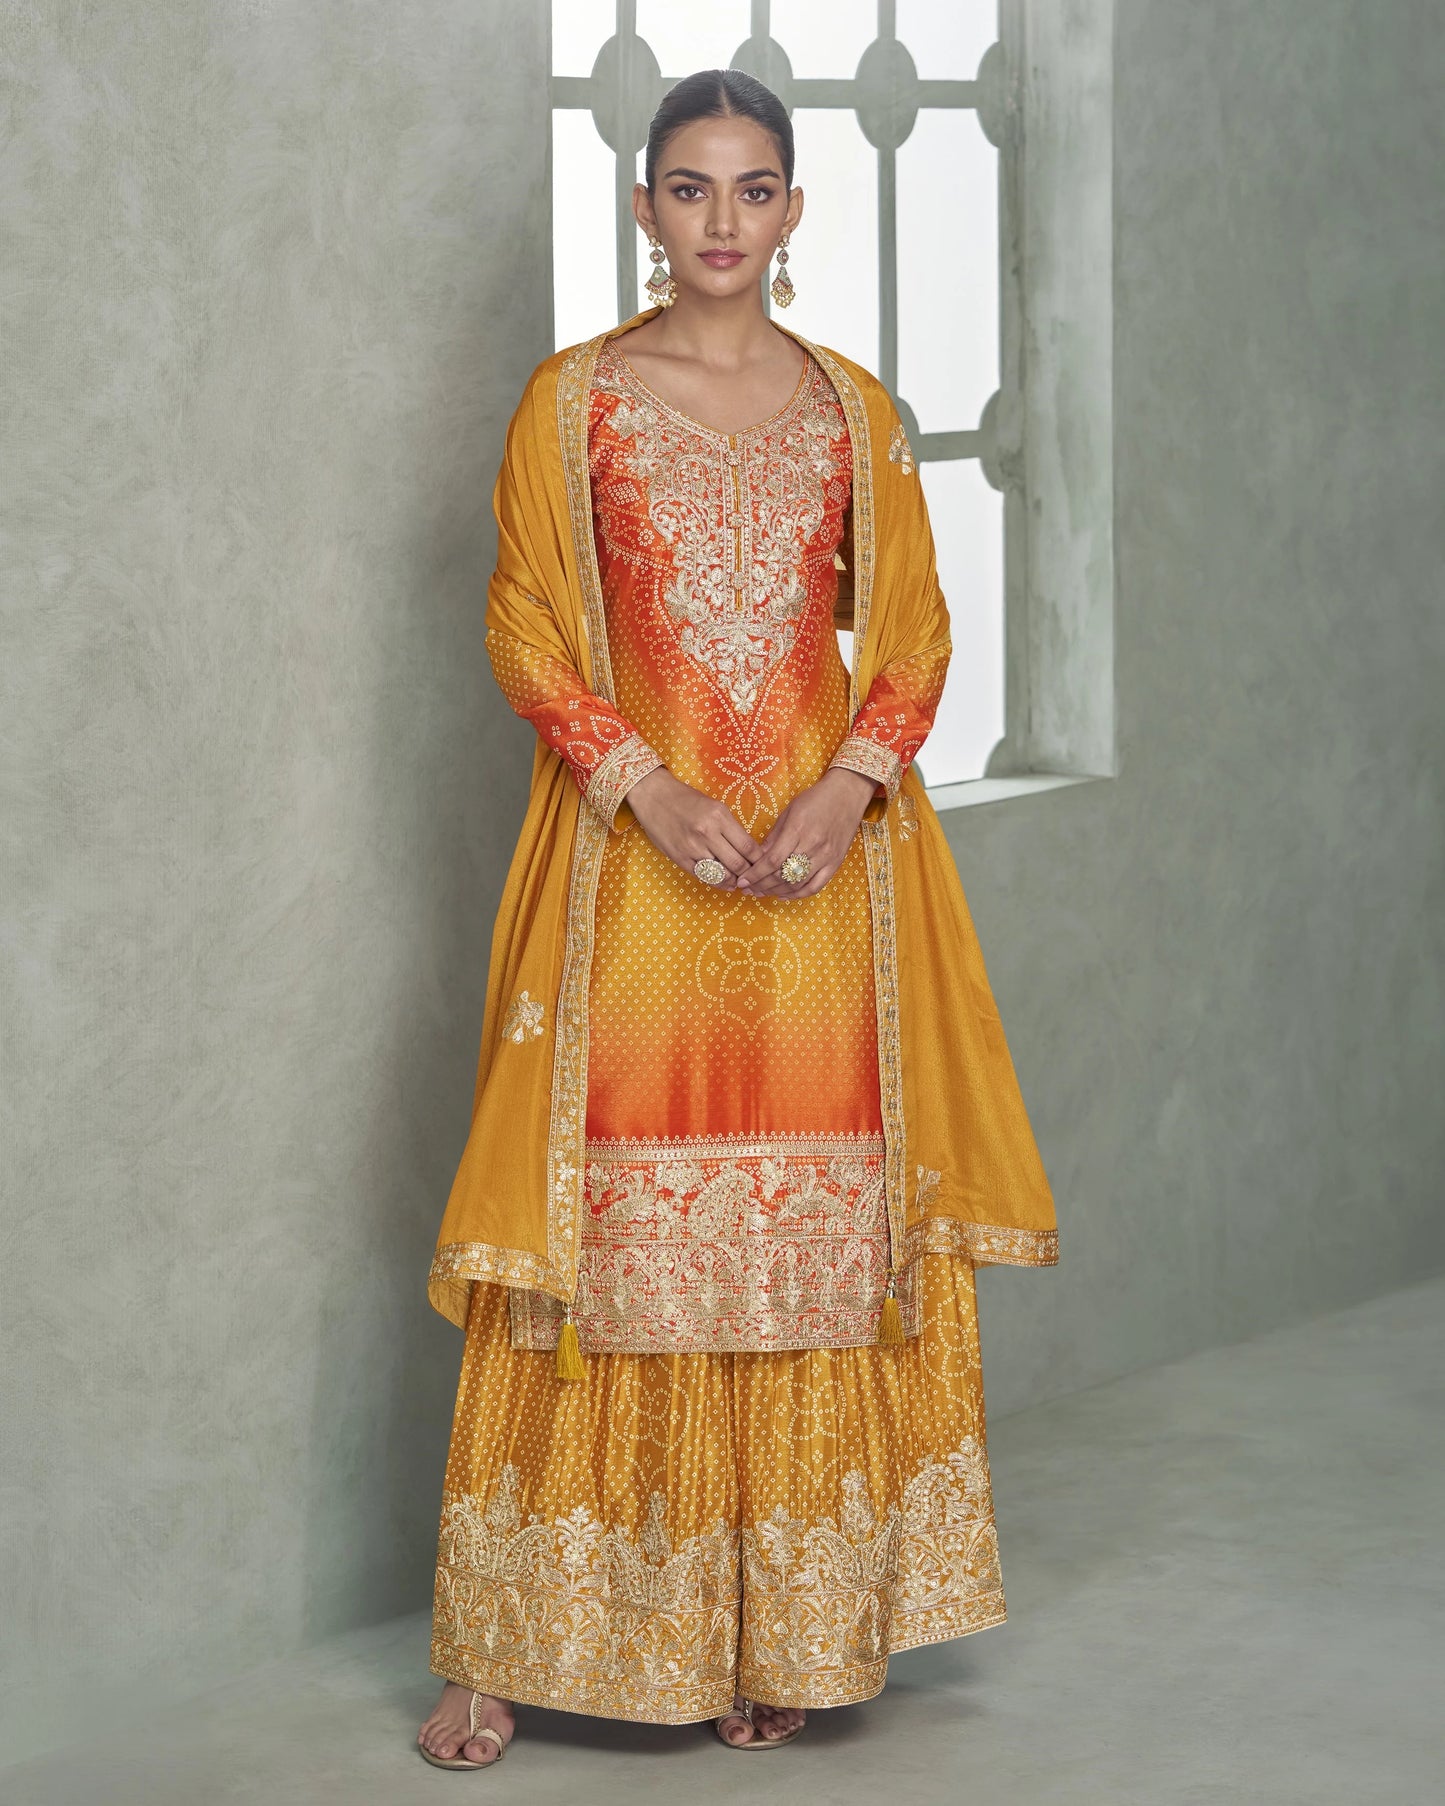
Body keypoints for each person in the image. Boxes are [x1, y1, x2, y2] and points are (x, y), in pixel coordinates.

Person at [416, 68, 1058, 1769]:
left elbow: (907, 635)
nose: (720, 221)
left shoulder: (854, 411)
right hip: (633, 869)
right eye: (687, 190)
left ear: (791, 212)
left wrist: (843, 793)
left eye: (751, 190)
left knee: (803, 1242)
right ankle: (502, 1645)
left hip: (816, 881)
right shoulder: (573, 408)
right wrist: (641, 784)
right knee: (597, 1233)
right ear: (642, 213)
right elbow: (525, 628)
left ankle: (787, 1632)